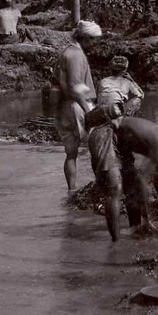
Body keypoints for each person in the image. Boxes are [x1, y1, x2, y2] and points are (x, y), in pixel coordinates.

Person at [85, 55, 146, 241]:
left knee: (119, 187)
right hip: (108, 132)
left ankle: (117, 241)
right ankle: (128, 236)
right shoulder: (128, 84)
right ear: (125, 70)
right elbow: (139, 96)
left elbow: (100, 102)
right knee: (120, 187)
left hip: (102, 131)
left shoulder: (102, 82)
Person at [54, 20, 103, 191]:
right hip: (77, 106)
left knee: (71, 153)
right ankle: (99, 186)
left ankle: (71, 190)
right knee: (97, 146)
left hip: (65, 106)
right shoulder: (75, 55)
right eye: (93, 40)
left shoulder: (66, 52)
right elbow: (76, 88)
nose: (94, 44)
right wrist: (90, 111)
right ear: (85, 38)